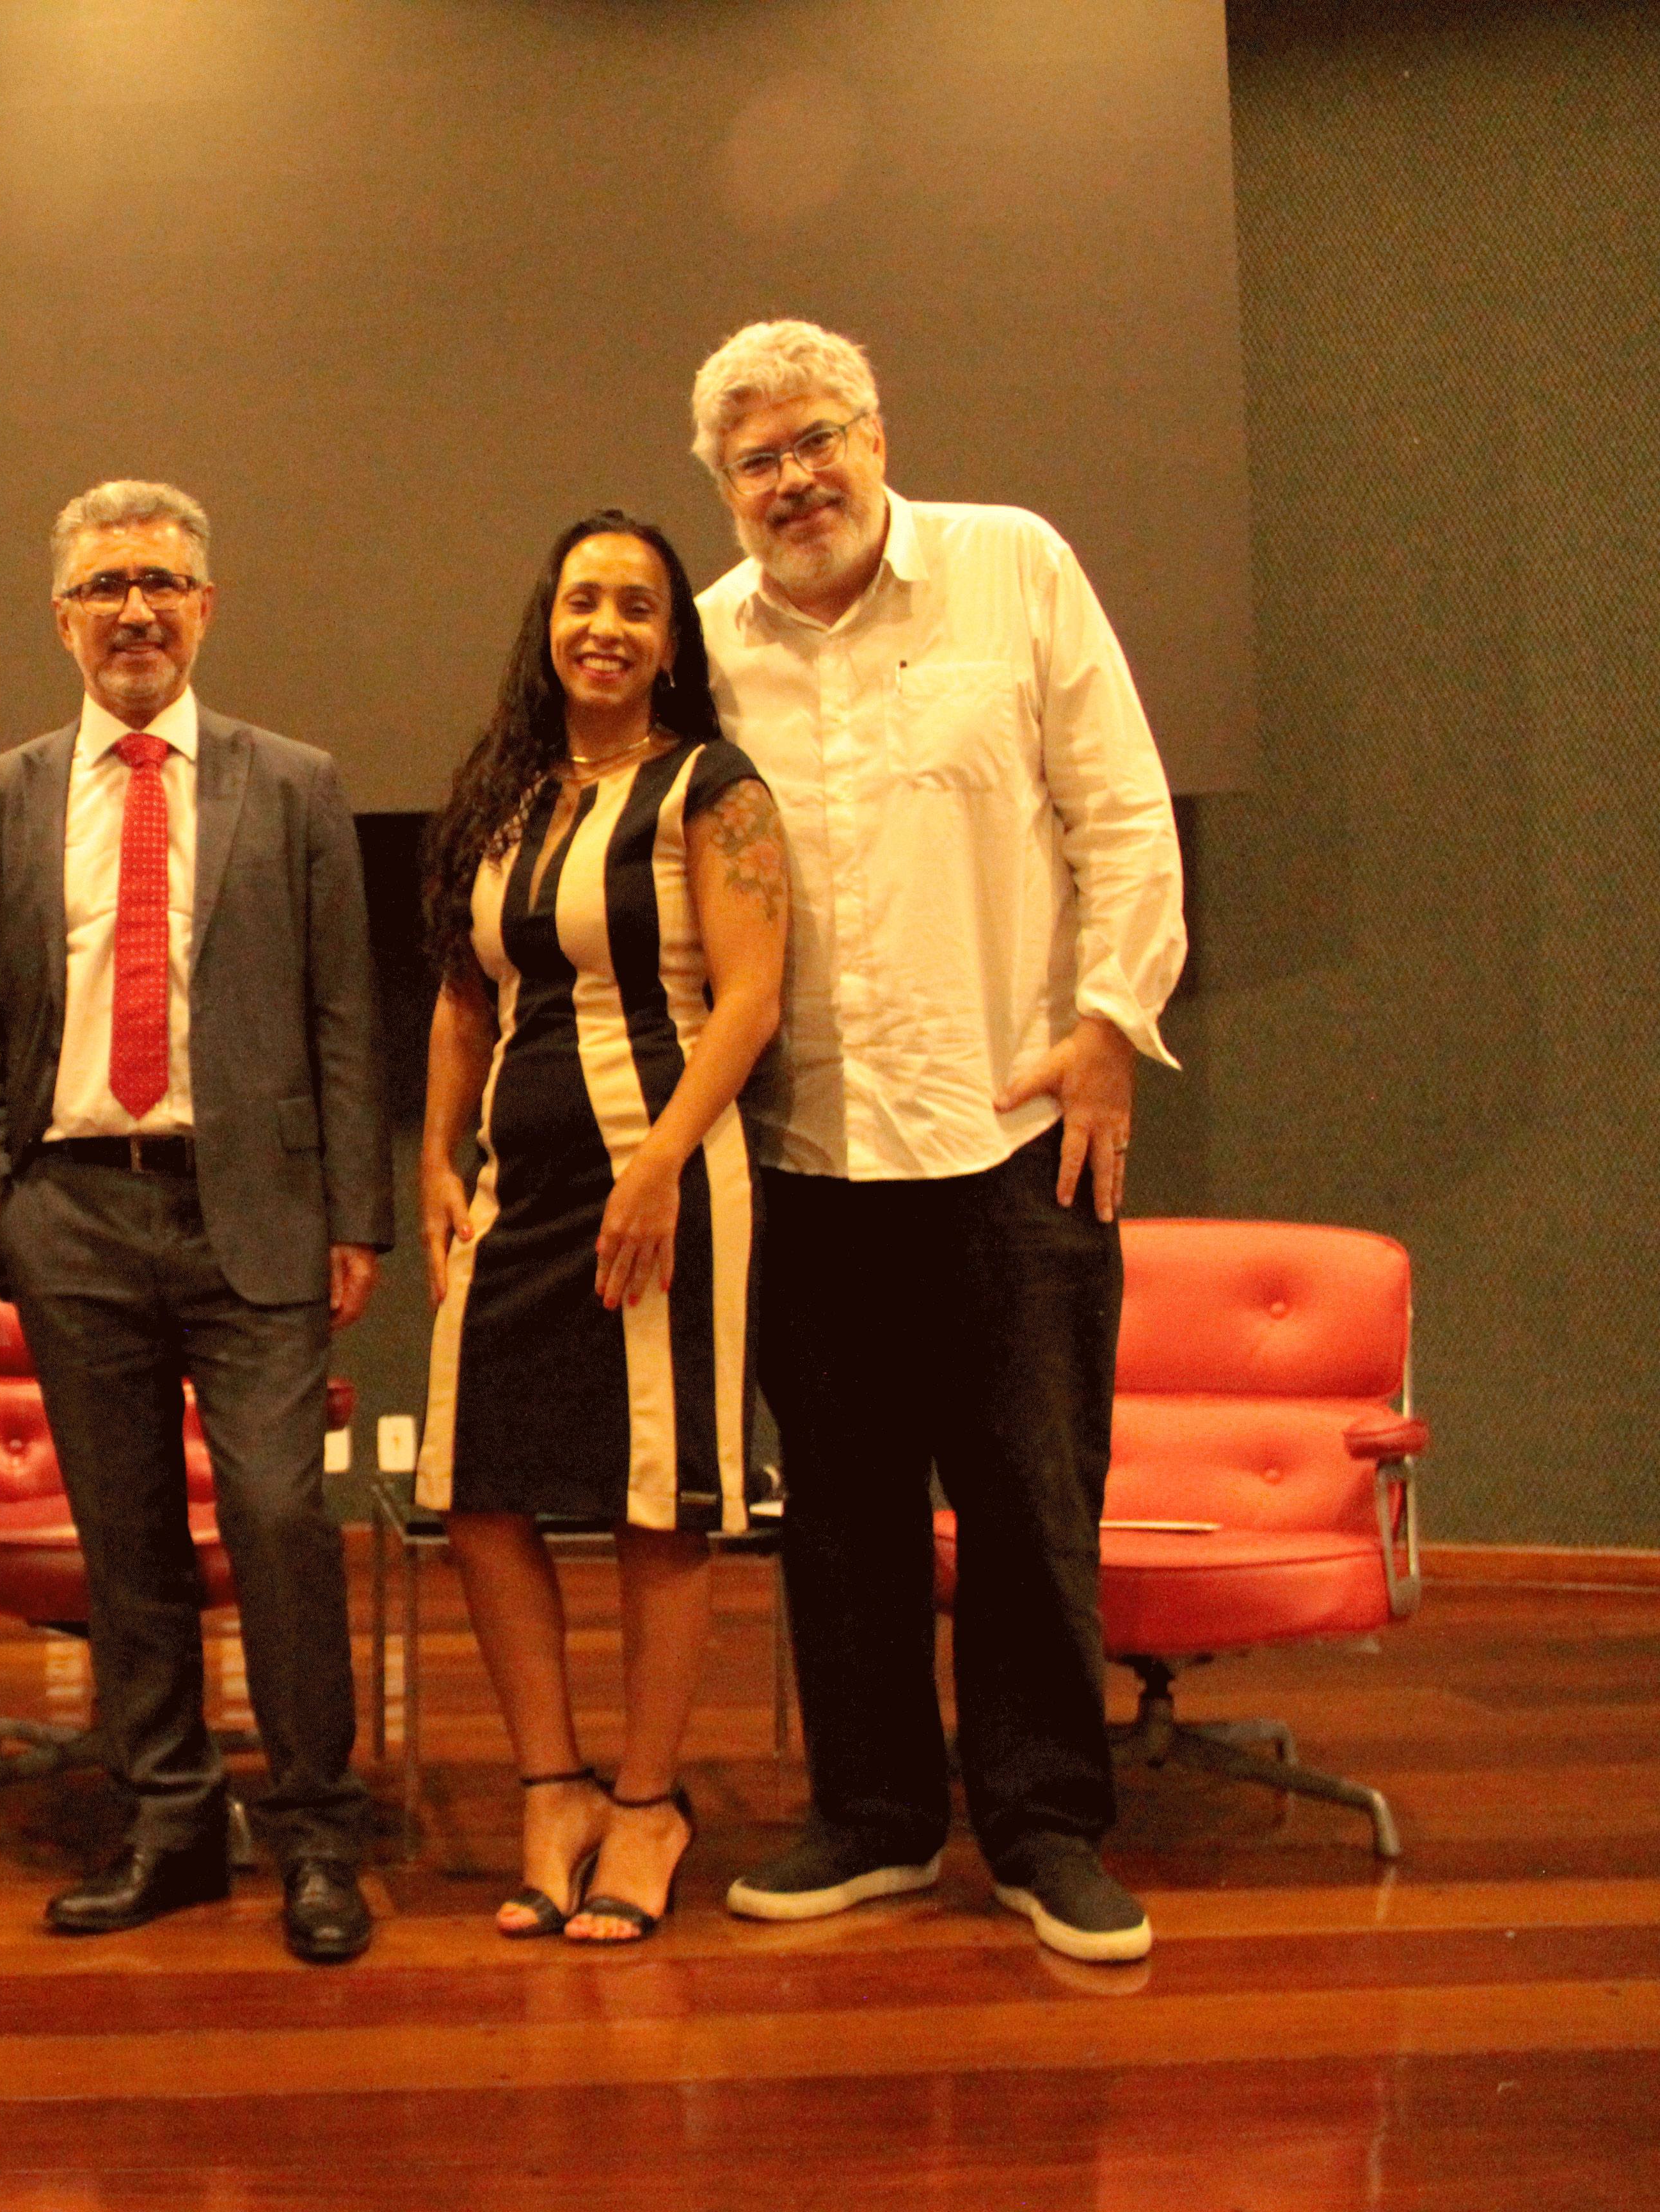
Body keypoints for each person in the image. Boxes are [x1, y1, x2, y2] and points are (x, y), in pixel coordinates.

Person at [685, 319, 1186, 1964]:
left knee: (1033, 1505)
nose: (794, 480)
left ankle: (1046, 1830)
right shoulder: (707, 645)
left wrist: (1110, 1028)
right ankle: (877, 1819)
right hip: (804, 1156)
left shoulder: (1013, 567)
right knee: (840, 1514)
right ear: (725, 488)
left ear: (877, 434)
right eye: (756, 462)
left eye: (816, 440)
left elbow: (1123, 812)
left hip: (1012, 1136)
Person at [0, 480, 390, 1964]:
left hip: (255, 1214)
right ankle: (171, 1825)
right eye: (104, 587)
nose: (134, 609)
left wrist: (356, 1215)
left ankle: (316, 1837)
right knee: (125, 1539)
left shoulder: (295, 783)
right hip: (72, 1214)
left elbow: (343, 1010)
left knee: (278, 1520)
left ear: (205, 606)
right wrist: (1, 1198)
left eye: (160, 583)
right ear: (61, 617)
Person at [414, 509, 786, 1945]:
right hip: (518, 1191)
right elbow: (465, 997)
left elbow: (750, 997)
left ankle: (646, 1805)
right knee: (480, 1486)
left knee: (658, 1494)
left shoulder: (712, 788)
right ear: (549, 624)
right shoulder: (507, 796)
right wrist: (435, 1160)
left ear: (672, 640)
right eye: (583, 601)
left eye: (637, 605)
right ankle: (551, 1790)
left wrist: (664, 1162)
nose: (606, 628)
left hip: (665, 1183)